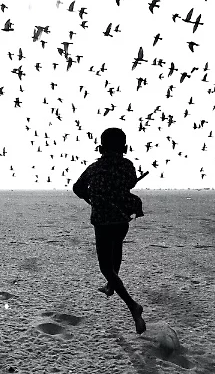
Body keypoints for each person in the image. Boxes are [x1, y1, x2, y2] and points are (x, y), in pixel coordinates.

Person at [73, 127, 147, 334]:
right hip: (122, 219)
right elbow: (130, 182)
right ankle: (111, 286)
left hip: (103, 221)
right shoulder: (128, 165)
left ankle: (133, 306)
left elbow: (77, 188)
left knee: (106, 267)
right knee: (116, 253)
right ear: (125, 147)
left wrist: (89, 197)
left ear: (100, 147)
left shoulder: (94, 168)